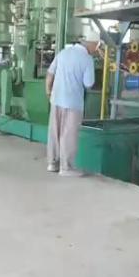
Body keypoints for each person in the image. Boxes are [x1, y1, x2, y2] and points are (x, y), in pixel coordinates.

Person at [45, 39, 102, 176]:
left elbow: (50, 73)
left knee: (55, 131)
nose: (97, 49)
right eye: (97, 46)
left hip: (56, 99)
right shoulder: (87, 59)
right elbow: (88, 83)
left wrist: (48, 91)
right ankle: (66, 168)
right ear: (91, 44)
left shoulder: (63, 53)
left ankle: (52, 163)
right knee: (68, 134)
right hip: (73, 102)